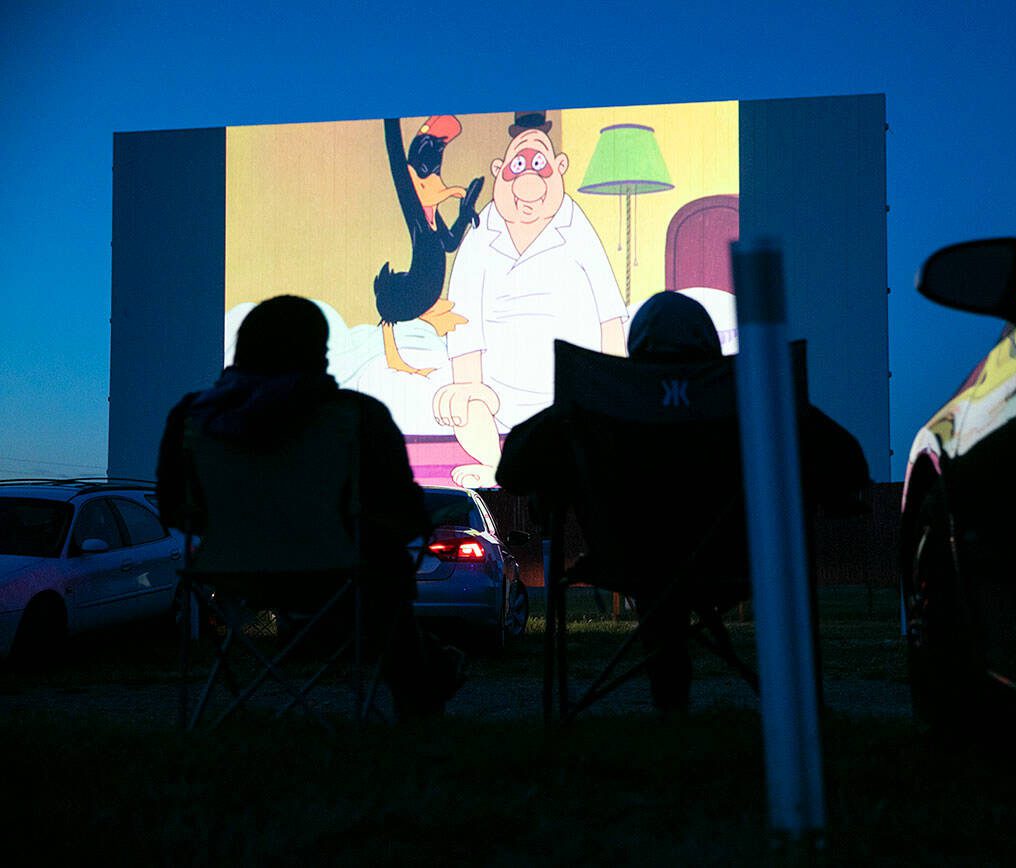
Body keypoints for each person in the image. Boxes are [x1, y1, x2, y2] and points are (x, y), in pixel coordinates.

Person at [497, 290, 871, 713]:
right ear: (709, 343)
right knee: (673, 568)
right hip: (739, 558)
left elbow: (510, 472)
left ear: (636, 345)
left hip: (628, 557)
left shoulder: (598, 400)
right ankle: (790, 708)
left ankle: (669, 705)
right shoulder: (754, 396)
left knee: (659, 572)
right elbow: (849, 468)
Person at [156, 294, 465, 720]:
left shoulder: (191, 417)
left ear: (242, 349)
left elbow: (174, 511)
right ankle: (421, 683)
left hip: (233, 576)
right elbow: (408, 514)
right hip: (336, 577)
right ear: (320, 354)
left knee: (376, 562)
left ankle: (425, 667)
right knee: (383, 561)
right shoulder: (359, 415)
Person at [433, 110, 627, 490]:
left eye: (539, 166)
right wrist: (468, 386)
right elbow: (463, 325)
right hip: (497, 400)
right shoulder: (480, 235)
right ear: (498, 170)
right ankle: (496, 467)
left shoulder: (576, 227)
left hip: (570, 398)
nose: (528, 180)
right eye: (517, 166)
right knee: (463, 405)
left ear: (559, 167)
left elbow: (610, 317)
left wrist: (614, 387)